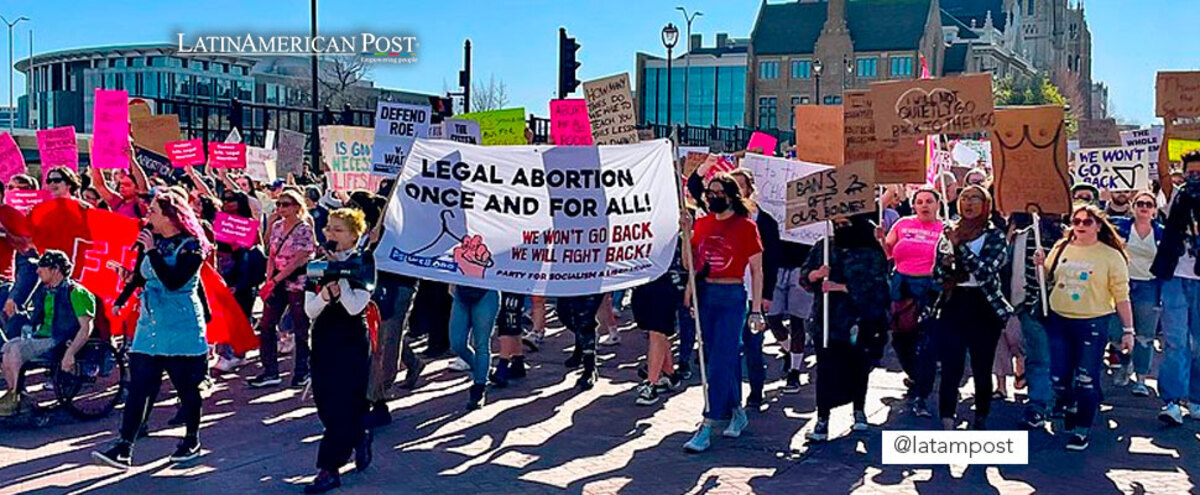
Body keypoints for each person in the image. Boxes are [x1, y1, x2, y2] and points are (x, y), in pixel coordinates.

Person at [94, 190, 212, 468]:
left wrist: (151, 251)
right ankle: (124, 446)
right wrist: (121, 298)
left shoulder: (192, 245)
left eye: (153, 212)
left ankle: (191, 439)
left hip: (180, 324)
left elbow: (174, 280)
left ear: (171, 216)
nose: (147, 216)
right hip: (151, 325)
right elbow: (140, 275)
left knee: (186, 387)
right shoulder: (152, 241)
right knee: (139, 386)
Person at [1035, 204, 1134, 450]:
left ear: (1098, 226)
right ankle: (1070, 404)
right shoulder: (1061, 248)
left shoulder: (1111, 256)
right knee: (1058, 378)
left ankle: (1082, 429)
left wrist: (1128, 330)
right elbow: (1048, 277)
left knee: (1086, 379)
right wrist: (1040, 263)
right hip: (1059, 320)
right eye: (1076, 221)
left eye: (1086, 222)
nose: (1079, 226)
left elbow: (1121, 295)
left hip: (1093, 322)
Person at [682, 174, 765, 453]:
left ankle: (708, 422)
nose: (712, 196)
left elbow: (756, 269)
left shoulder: (745, 227)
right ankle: (736, 410)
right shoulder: (703, 224)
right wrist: (686, 234)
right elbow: (689, 263)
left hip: (732, 296)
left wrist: (755, 310)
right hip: (706, 294)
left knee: (721, 358)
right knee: (710, 356)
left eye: (718, 192)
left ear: (730, 196)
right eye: (709, 191)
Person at [302, 208, 377, 493]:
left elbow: (356, 305)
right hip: (324, 340)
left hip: (352, 343)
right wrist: (323, 294)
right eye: (329, 228)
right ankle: (360, 435)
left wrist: (341, 280)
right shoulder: (317, 265)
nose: (330, 234)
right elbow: (310, 310)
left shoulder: (364, 261)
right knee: (326, 403)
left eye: (338, 230)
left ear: (354, 236)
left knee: (342, 405)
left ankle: (328, 468)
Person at [800, 214, 890, 441]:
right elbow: (805, 278)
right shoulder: (824, 247)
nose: (841, 229)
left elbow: (877, 286)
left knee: (858, 366)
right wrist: (816, 275)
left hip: (857, 321)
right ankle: (823, 419)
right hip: (826, 320)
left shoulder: (869, 250)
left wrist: (840, 287)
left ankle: (858, 411)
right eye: (837, 225)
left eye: (845, 225)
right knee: (826, 370)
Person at [932, 185, 1012, 430]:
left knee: (981, 365)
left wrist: (961, 248)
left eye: (975, 198)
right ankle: (947, 419)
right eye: (965, 198)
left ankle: (981, 418)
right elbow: (936, 273)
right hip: (953, 302)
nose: (968, 203)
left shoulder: (994, 235)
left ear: (985, 204)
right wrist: (947, 263)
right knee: (951, 365)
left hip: (983, 306)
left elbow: (987, 272)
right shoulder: (949, 232)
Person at [0, 251, 96, 416]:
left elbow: (86, 327)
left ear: (55, 269)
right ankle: (16, 394)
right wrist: (20, 316)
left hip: (59, 340)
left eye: (42, 267)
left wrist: (70, 354)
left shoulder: (76, 292)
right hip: (41, 336)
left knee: (15, 350)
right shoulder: (44, 291)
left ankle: (15, 397)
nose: (37, 271)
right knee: (8, 347)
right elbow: (36, 318)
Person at [1149, 150, 1200, 425]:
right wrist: (1168, 127)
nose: (1195, 178)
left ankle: (1196, 399)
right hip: (1175, 278)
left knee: (1199, 346)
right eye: (1191, 173)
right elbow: (1163, 174)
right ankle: (1171, 401)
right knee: (1175, 342)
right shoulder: (1176, 197)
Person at [883, 188, 944, 417]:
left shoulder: (945, 230)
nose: (924, 205)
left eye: (929, 201)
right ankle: (916, 376)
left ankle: (921, 393)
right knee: (900, 340)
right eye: (919, 202)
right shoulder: (902, 224)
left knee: (926, 345)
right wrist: (881, 238)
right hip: (902, 288)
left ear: (938, 205)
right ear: (913, 205)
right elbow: (887, 252)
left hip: (929, 290)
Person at [250, 190, 317, 388]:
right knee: (267, 324)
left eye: (285, 204)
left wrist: (277, 278)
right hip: (277, 280)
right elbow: (271, 252)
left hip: (297, 281)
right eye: (278, 204)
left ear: (297, 206)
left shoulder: (304, 228)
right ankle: (270, 371)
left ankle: (302, 371)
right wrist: (270, 278)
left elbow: (300, 258)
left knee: (300, 326)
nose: (280, 208)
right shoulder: (277, 226)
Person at [1012, 212, 1067, 430]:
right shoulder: (1023, 236)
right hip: (1031, 307)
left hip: (1064, 308)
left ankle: (1061, 400)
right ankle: (1038, 405)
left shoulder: (1071, 236)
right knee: (1038, 358)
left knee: (1064, 358)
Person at [1111, 191, 1163, 397]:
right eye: (1139, 203)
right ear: (1132, 207)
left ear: (1154, 210)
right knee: (1115, 332)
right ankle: (1124, 363)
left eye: (1148, 204)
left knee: (1145, 336)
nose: (1144, 207)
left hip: (1149, 287)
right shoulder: (1119, 227)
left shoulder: (1161, 233)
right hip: (1121, 285)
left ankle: (1141, 379)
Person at [213, 191, 267, 372]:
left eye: (231, 200)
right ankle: (227, 353)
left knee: (240, 315)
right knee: (224, 315)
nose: (226, 203)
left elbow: (256, 249)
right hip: (223, 271)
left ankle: (238, 354)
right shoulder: (220, 221)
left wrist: (242, 243)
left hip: (242, 275)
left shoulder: (248, 224)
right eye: (224, 199)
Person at [489, 292, 527, 389]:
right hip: (514, 284)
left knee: (508, 321)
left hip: (511, 284)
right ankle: (518, 363)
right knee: (513, 321)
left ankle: (502, 368)